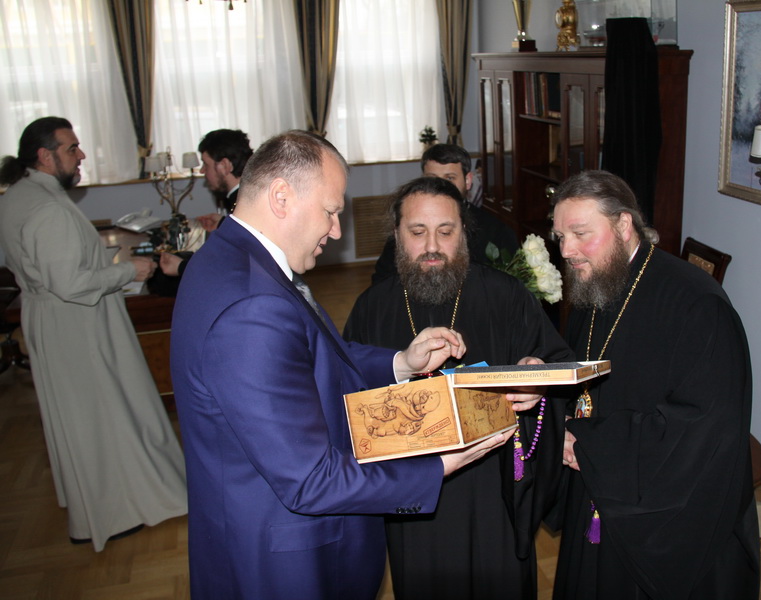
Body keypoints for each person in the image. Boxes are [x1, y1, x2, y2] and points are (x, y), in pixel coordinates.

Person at [169, 130, 513, 600]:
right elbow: (311, 480)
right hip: (285, 562)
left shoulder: (230, 259)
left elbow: (305, 358)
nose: (335, 231)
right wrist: (436, 467)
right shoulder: (250, 306)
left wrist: (400, 362)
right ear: (281, 197)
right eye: (331, 212)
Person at [344, 176, 574, 600]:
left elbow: (556, 364)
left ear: (464, 234)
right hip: (414, 495)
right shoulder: (371, 308)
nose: (432, 246)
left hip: (493, 490)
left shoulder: (506, 296)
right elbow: (349, 402)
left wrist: (537, 381)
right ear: (397, 235)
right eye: (417, 232)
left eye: (446, 231)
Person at [549, 170, 760, 599]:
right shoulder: (599, 282)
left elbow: (700, 432)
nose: (566, 250)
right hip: (601, 486)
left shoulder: (698, 306)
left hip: (660, 518)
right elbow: (585, 373)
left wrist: (591, 444)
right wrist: (545, 375)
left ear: (624, 225)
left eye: (580, 234)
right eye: (560, 237)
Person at [0, 117, 188, 551]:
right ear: (45, 156)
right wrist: (128, 270)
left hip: (51, 317)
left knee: (83, 416)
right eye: (71, 148)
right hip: (75, 323)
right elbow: (70, 283)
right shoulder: (47, 208)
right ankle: (116, 509)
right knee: (99, 414)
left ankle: (104, 501)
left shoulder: (21, 195)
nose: (81, 155)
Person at [371, 143, 518, 284]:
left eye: (450, 178)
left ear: (468, 180)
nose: (441, 186)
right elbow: (383, 281)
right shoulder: (407, 227)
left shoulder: (496, 231)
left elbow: (509, 284)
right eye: (432, 178)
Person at [158, 128, 253, 278]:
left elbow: (232, 268)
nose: (202, 171)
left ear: (224, 166)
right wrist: (222, 223)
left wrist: (182, 267)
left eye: (206, 164)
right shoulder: (248, 196)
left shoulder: (243, 205)